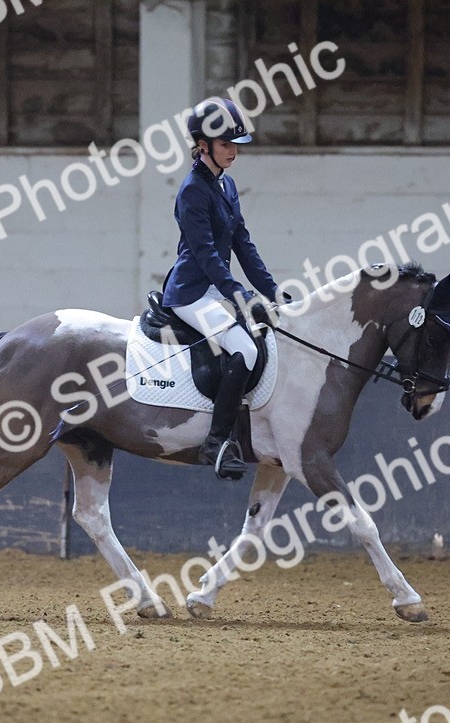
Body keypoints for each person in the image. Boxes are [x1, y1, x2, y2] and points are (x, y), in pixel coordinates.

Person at [162, 97, 278, 481]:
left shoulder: (226, 186)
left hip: (214, 289)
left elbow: (243, 243)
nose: (233, 152)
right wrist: (237, 293)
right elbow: (206, 254)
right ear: (203, 145)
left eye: (236, 146)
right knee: (244, 348)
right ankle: (216, 442)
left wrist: (271, 290)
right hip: (191, 292)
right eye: (226, 144)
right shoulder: (193, 190)